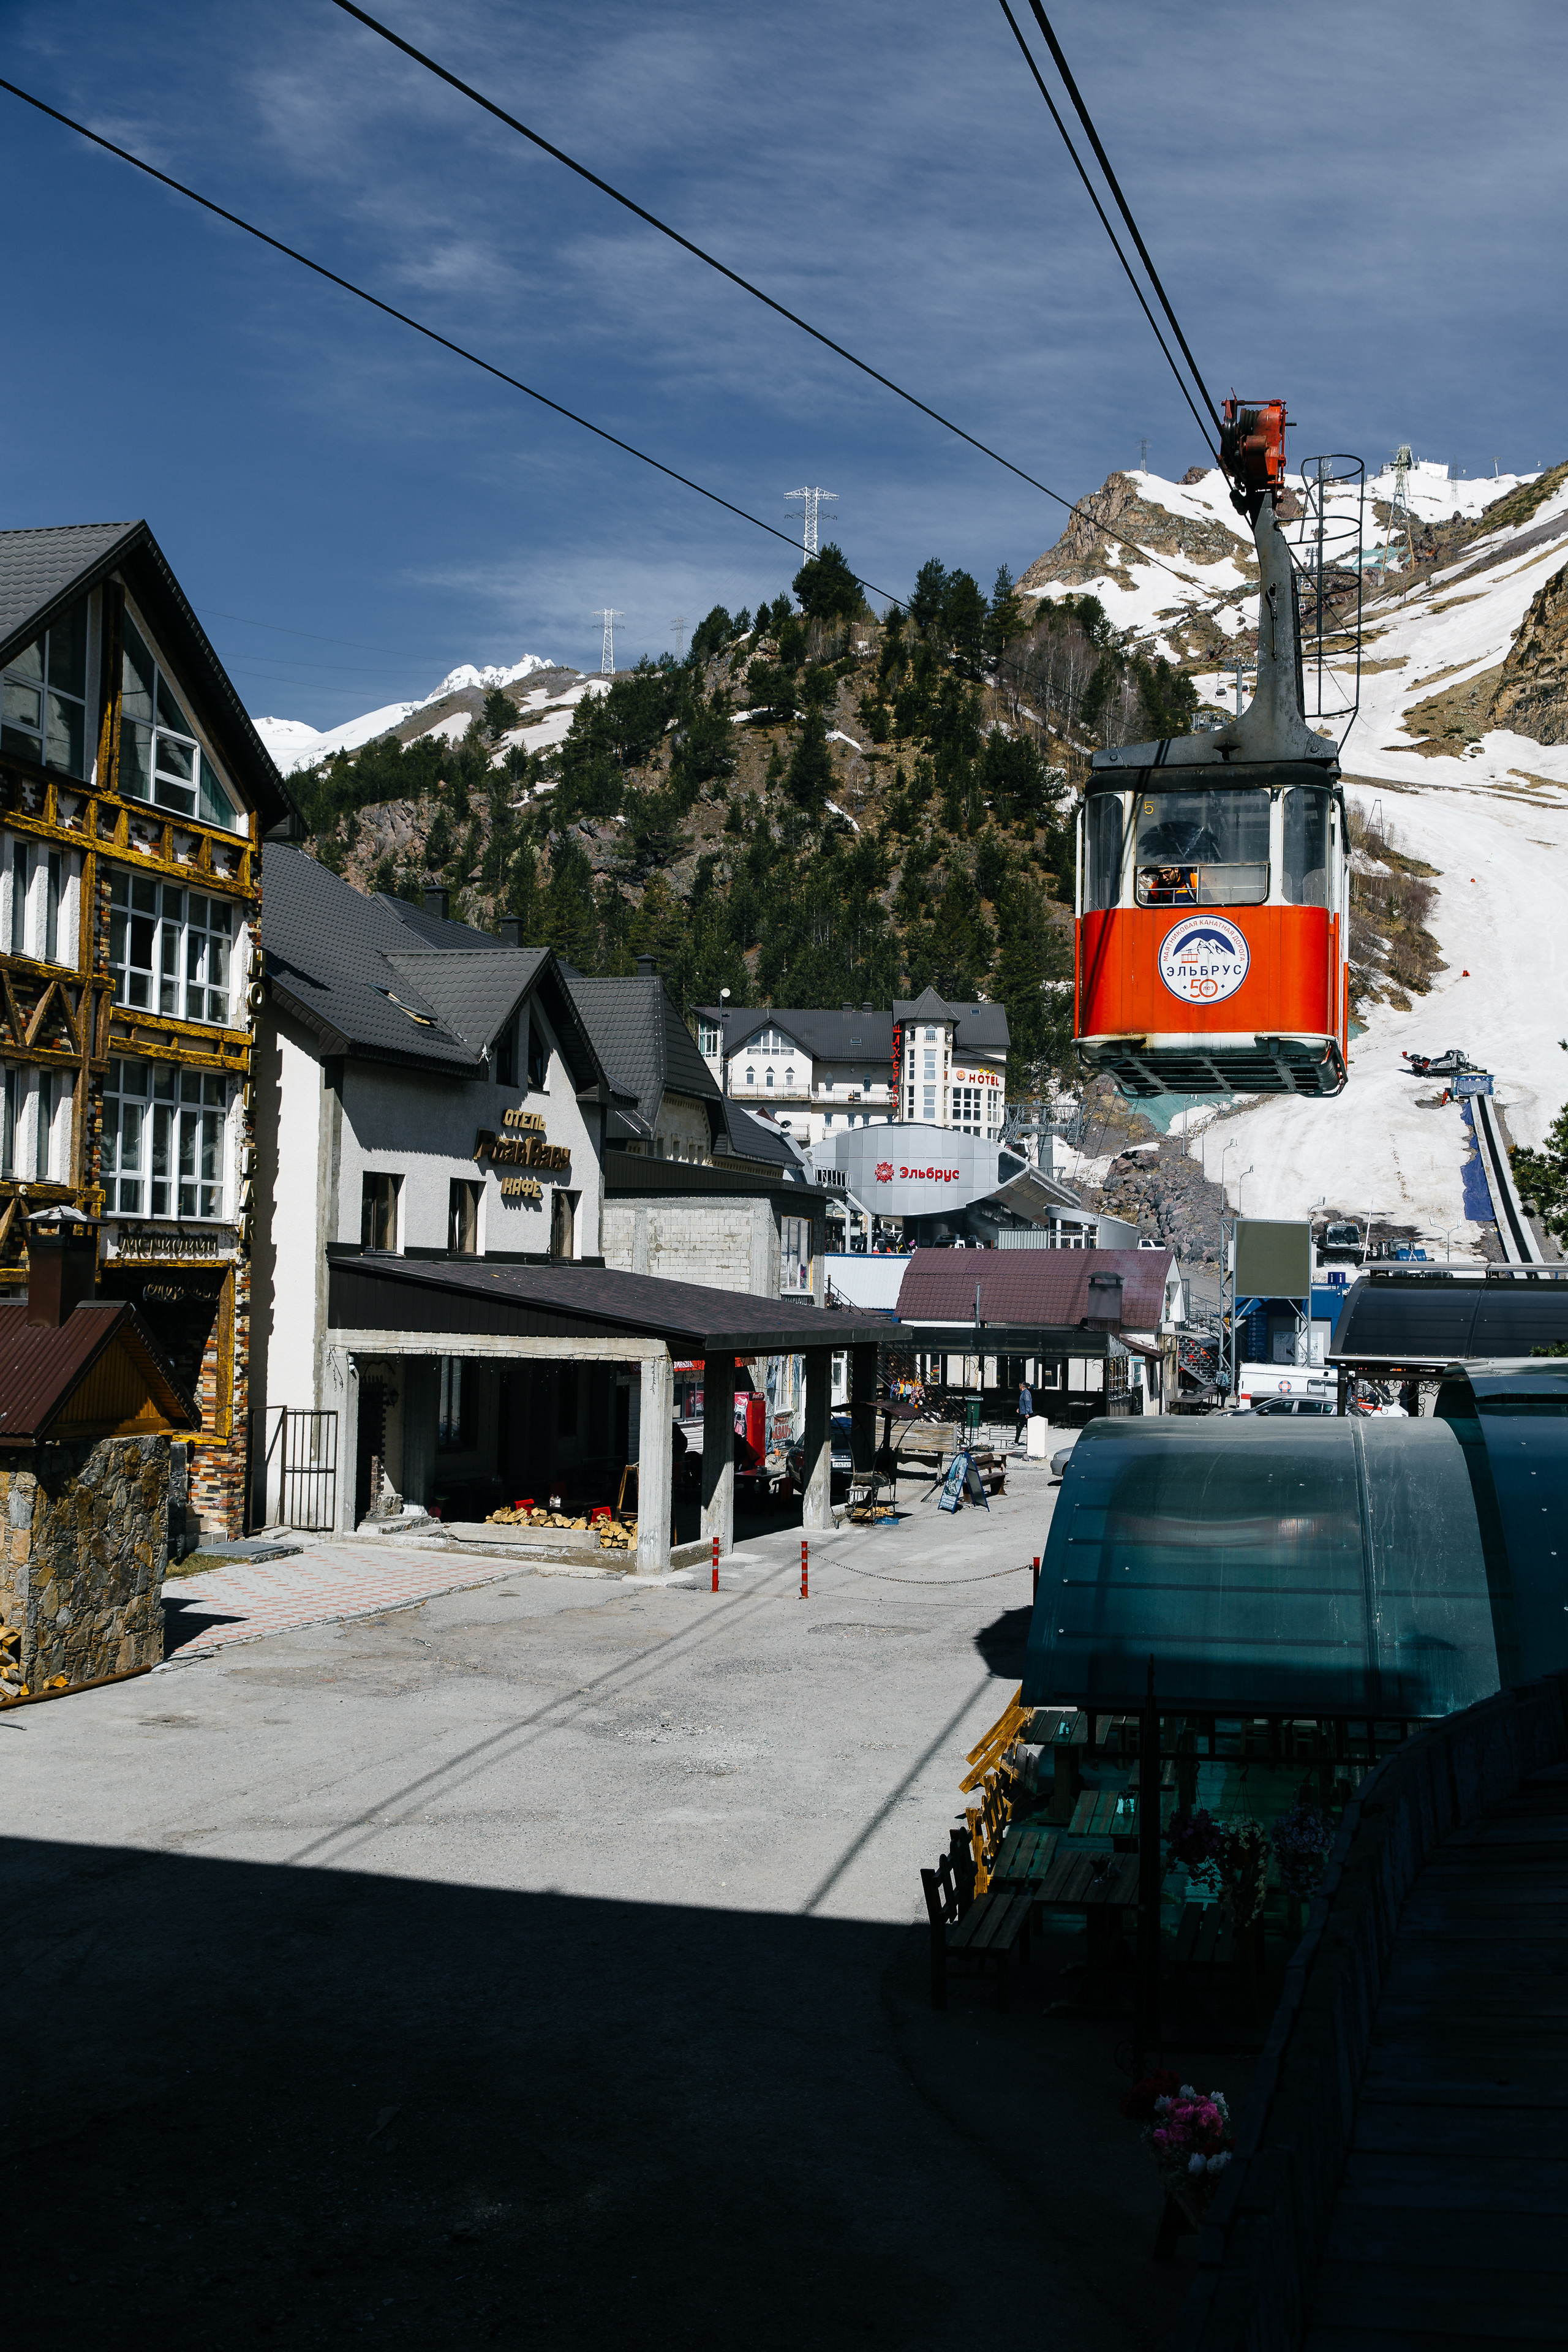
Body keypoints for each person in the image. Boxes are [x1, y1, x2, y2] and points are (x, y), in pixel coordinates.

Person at [1015, 1379, 1033, 1444]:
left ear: (1021, 1386)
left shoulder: (1026, 1393)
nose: (1019, 1387)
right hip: (1024, 1412)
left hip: (1025, 1414)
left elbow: (1027, 1403)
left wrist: (1027, 1413)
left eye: (1019, 1386)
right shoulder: (1023, 1393)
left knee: (1020, 1427)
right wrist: (1019, 1408)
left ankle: (1016, 1442)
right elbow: (1023, 1403)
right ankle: (1017, 1442)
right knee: (1020, 1427)